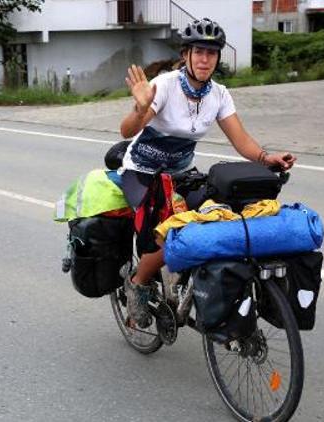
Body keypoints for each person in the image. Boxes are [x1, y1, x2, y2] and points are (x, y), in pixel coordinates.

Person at [117, 18, 296, 328]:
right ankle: (138, 281)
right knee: (169, 232)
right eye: (198, 51)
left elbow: (242, 141)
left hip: (180, 174)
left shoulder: (219, 95)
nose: (204, 59)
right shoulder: (165, 85)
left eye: (211, 53)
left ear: (217, 58)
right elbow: (126, 130)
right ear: (186, 54)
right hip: (142, 172)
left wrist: (268, 158)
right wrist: (140, 107)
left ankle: (190, 282)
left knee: (217, 218)